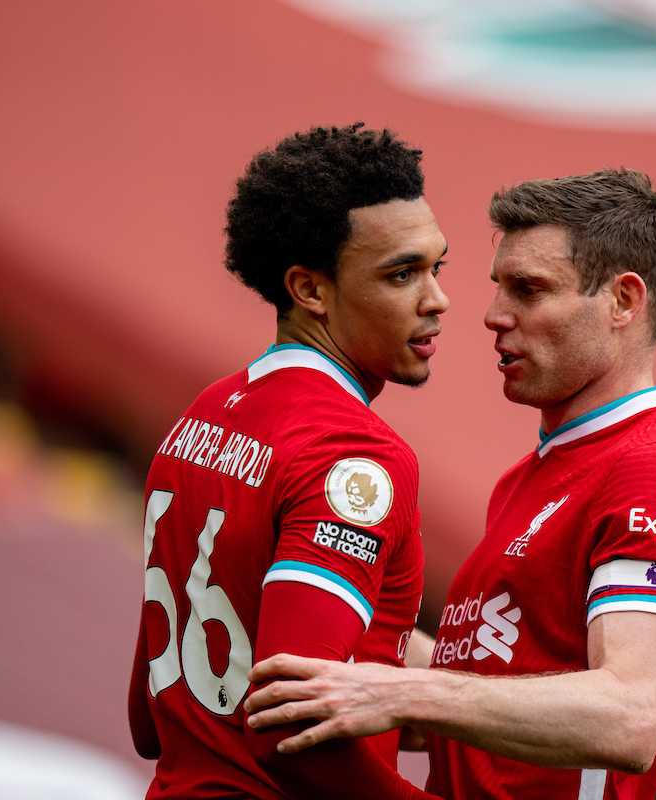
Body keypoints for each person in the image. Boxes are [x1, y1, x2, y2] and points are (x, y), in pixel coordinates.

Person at [244, 168, 656, 800]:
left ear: (623, 301)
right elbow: (481, 683)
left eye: (528, 290)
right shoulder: (529, 477)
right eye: (498, 287)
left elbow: (632, 715)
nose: (491, 315)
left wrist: (400, 692)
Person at [127, 123, 450, 800]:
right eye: (402, 274)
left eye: (435, 268)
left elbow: (149, 717)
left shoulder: (203, 415)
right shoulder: (355, 456)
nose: (436, 301)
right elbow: (287, 726)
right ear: (309, 289)